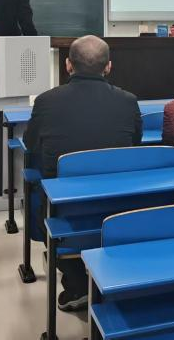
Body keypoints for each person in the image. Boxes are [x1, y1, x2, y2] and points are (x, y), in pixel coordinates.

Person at [24, 35, 142, 311]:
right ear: (108, 66)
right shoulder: (128, 101)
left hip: (66, 207)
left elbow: (30, 144)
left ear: (68, 65)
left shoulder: (46, 101)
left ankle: (77, 283)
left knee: (38, 188)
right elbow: (135, 145)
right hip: (119, 202)